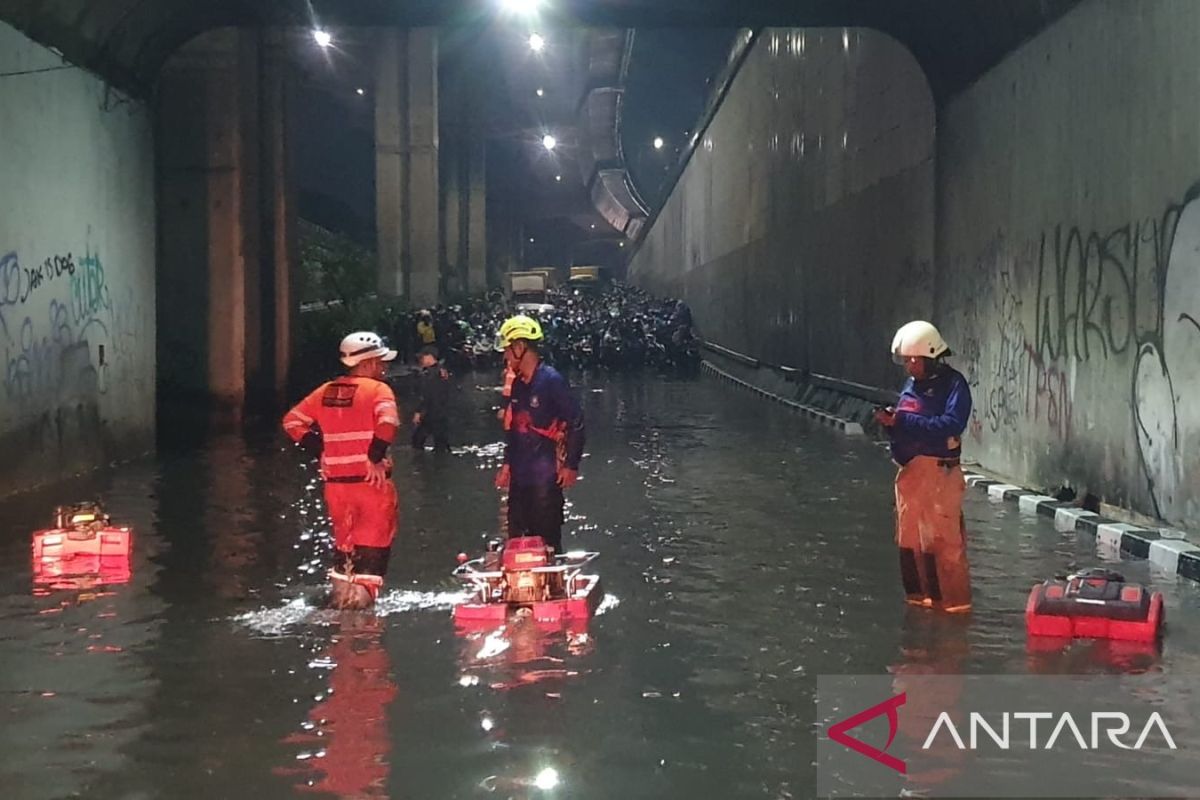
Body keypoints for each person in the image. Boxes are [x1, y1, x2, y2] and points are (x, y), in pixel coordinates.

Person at [283, 331, 400, 610]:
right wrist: (374, 457)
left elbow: (291, 422)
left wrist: (322, 449)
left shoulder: (325, 391)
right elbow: (388, 423)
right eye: (381, 361)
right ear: (368, 363)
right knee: (370, 560)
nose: (384, 367)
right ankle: (359, 627)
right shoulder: (378, 390)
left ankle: (339, 608)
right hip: (370, 486)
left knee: (345, 555)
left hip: (336, 488)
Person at [874, 320, 973, 613]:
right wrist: (891, 426)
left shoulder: (954, 385)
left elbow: (951, 425)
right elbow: (908, 421)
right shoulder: (912, 385)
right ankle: (921, 604)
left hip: (940, 475)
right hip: (911, 476)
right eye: (906, 361)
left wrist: (903, 422)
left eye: (913, 360)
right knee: (911, 542)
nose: (909, 366)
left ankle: (954, 610)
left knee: (943, 545)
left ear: (930, 356)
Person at [493, 315, 585, 554]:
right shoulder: (517, 385)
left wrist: (571, 466)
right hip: (520, 476)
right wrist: (506, 464)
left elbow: (576, 422)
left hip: (546, 478)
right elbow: (513, 429)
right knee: (516, 538)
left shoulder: (551, 381)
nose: (505, 357)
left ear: (520, 347)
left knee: (547, 541)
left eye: (507, 350)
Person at [411, 345, 451, 452]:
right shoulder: (442, 371)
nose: (421, 361)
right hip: (441, 412)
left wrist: (419, 412)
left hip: (430, 413)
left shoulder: (429, 374)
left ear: (429, 357)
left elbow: (426, 395)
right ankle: (441, 465)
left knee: (417, 441)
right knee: (441, 444)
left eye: (422, 357)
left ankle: (423, 465)